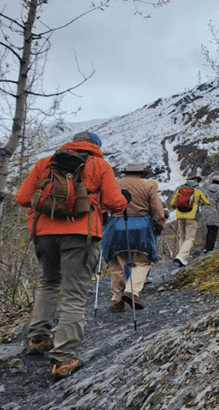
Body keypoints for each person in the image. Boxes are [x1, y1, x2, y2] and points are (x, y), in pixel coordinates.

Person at [15, 131, 128, 381]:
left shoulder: (45, 163)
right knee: (74, 294)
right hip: (81, 234)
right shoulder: (99, 164)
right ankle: (64, 359)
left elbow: (22, 198)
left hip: (43, 233)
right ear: (96, 146)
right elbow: (115, 202)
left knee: (48, 283)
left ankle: (38, 338)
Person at [101, 162, 165, 312]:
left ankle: (116, 299)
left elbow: (104, 206)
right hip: (141, 225)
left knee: (118, 262)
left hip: (116, 226)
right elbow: (157, 210)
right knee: (142, 261)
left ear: (126, 173)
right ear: (142, 174)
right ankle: (131, 291)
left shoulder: (115, 184)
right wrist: (159, 225)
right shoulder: (148, 186)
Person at [169, 173, 210, 267]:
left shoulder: (180, 188)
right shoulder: (198, 189)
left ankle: (181, 258)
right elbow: (207, 200)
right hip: (191, 216)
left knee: (182, 237)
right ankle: (181, 256)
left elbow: (172, 203)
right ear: (195, 179)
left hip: (180, 216)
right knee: (190, 238)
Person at [199, 176, 219, 252]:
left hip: (205, 212)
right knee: (214, 230)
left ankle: (206, 247)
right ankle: (209, 249)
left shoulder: (206, 190)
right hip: (215, 212)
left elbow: (201, 201)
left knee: (209, 230)